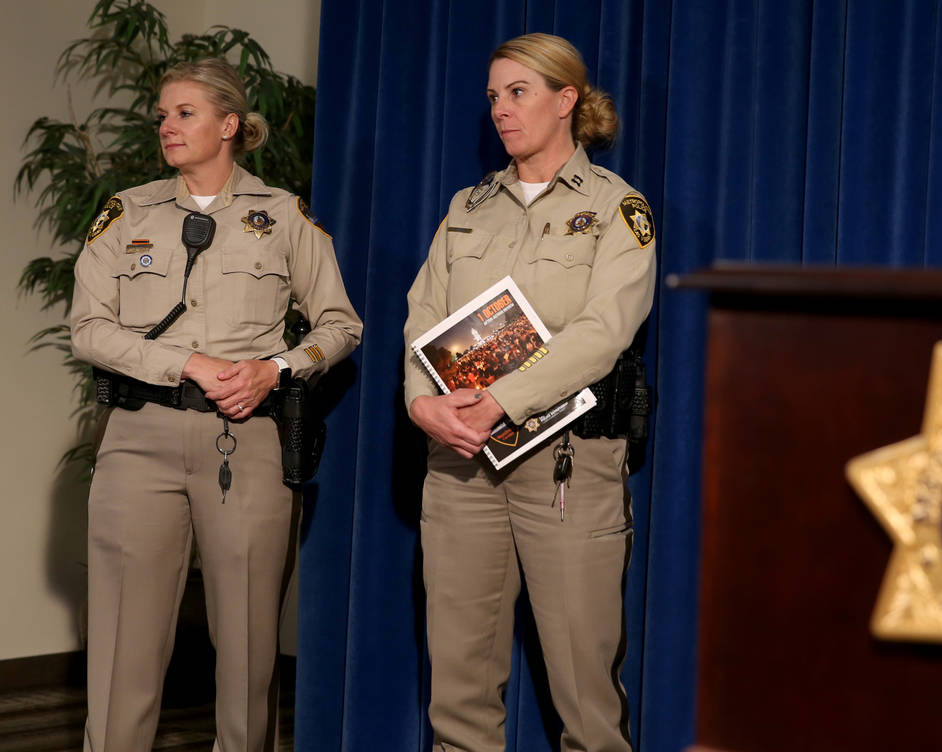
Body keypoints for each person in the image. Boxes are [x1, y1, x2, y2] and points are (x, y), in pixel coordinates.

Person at [70, 58, 362, 751]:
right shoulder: (126, 212)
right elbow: (88, 329)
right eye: (163, 115)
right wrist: (187, 362)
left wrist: (276, 368)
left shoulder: (284, 216)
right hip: (139, 437)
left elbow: (341, 326)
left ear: (230, 124)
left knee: (249, 649)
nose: (167, 126)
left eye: (185, 113)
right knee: (123, 648)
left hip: (247, 441)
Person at [403, 33, 656, 752]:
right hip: (460, 461)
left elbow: (604, 331)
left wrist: (503, 400)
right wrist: (420, 403)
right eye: (493, 96)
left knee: (585, 695)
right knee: (458, 690)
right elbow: (423, 319)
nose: (501, 110)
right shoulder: (467, 206)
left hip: (565, 466)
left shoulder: (616, 208)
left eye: (518, 93)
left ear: (565, 100)